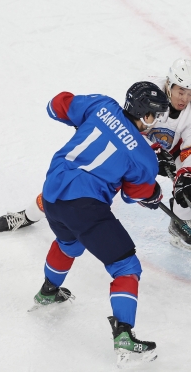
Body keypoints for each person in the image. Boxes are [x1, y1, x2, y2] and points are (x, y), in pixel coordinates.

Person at [0, 58, 191, 255]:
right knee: (79, 187)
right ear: (169, 84)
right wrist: (151, 150)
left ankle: (181, 222)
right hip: (133, 154)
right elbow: (126, 124)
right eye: (181, 91)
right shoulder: (149, 89)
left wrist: (187, 175)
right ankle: (28, 215)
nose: (185, 98)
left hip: (169, 157)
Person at [32, 81, 167, 366]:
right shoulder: (144, 157)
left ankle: (48, 292)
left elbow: (56, 105)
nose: (156, 122)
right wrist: (154, 192)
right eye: (154, 115)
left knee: (69, 242)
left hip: (53, 193)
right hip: (85, 205)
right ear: (144, 113)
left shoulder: (101, 105)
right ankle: (125, 338)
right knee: (126, 267)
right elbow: (135, 195)